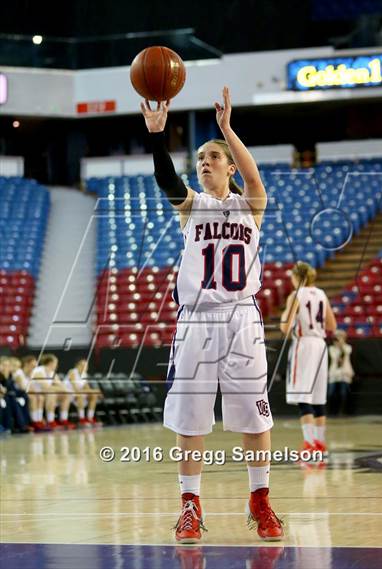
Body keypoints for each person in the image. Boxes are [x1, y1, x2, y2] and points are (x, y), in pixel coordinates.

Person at [140, 87, 284, 543]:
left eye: (212, 158)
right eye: (200, 158)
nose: (204, 163)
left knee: (255, 417)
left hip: (242, 318)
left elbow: (255, 176)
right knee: (190, 418)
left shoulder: (250, 205)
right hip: (198, 318)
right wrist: (159, 139)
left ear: (228, 166)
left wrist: (226, 130)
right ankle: (189, 506)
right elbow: (167, 181)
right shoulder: (193, 208)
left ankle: (260, 501)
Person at [280, 262, 337, 456]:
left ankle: (309, 444)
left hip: (304, 344)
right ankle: (320, 443)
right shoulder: (321, 294)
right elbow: (332, 325)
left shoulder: (296, 295)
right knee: (318, 397)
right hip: (321, 344)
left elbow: (284, 328)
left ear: (297, 277)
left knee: (303, 395)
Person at [31, 354, 76, 430]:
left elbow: (62, 386)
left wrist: (65, 390)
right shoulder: (39, 371)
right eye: (56, 363)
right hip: (36, 393)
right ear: (51, 363)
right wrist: (59, 388)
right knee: (52, 393)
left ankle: (63, 419)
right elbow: (46, 387)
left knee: (66, 395)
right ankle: (50, 421)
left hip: (45, 394)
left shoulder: (52, 373)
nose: (57, 365)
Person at [13, 355, 48, 432]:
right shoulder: (19, 373)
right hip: (18, 393)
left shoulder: (31, 375)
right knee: (33, 397)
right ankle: (34, 421)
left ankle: (39, 420)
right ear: (26, 364)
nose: (34, 369)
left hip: (26, 393)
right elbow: (23, 388)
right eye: (32, 366)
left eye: (35, 367)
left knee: (40, 397)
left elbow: (32, 388)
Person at [63, 358, 101, 426]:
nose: (85, 367)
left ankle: (90, 418)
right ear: (78, 365)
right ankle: (81, 419)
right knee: (80, 395)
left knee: (93, 395)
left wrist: (94, 392)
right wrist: (92, 391)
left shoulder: (84, 374)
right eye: (83, 365)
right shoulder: (72, 372)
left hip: (78, 394)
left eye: (86, 365)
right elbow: (76, 389)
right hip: (68, 393)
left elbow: (87, 388)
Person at [0, 356, 32, 433]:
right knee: (11, 399)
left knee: (24, 397)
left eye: (7, 365)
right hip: (5, 397)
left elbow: (11, 389)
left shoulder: (9, 376)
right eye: (4, 365)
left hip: (8, 396)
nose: (6, 367)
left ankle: (22, 424)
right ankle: (20, 425)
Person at [328, 330, 354, 416]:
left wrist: (342, 345)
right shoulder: (331, 348)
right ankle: (332, 411)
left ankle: (342, 411)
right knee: (331, 393)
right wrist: (337, 346)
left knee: (343, 393)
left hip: (345, 372)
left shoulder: (348, 347)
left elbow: (347, 352)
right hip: (334, 373)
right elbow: (335, 357)